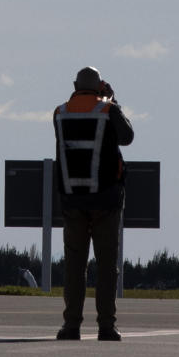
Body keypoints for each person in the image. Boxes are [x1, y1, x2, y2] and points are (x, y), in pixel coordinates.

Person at [53, 66, 134, 342]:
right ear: (100, 85)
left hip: (72, 199)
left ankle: (71, 325)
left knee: (74, 265)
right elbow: (127, 137)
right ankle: (106, 326)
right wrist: (112, 100)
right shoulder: (107, 110)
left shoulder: (60, 113)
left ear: (75, 85)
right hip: (106, 200)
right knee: (107, 264)